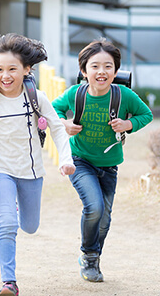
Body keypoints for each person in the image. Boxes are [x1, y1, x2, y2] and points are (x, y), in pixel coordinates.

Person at [0, 33, 75, 296]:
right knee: (8, 223)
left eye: (12, 69)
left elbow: (59, 129)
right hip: (1, 170)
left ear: (26, 70)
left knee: (30, 225)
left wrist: (65, 159)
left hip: (32, 172)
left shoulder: (37, 97)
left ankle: (14, 211)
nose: (5, 75)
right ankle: (9, 283)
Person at [52, 38, 153, 282]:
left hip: (109, 166)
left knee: (105, 218)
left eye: (108, 66)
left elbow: (146, 114)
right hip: (80, 160)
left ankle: (93, 257)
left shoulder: (124, 95)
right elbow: (52, 109)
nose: (101, 71)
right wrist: (65, 123)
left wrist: (128, 124)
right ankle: (89, 256)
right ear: (84, 71)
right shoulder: (76, 94)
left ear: (116, 71)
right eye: (95, 66)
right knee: (94, 207)